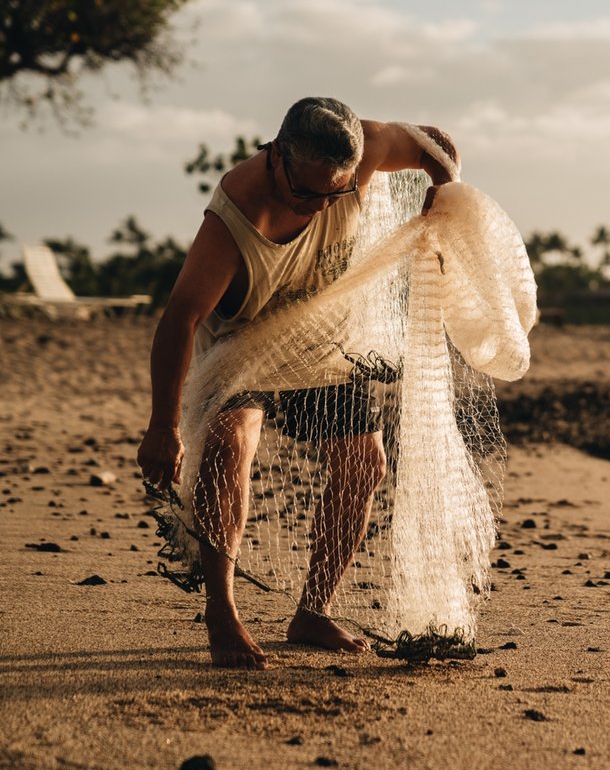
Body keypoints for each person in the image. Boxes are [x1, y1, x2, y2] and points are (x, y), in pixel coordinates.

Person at [138, 97, 458, 669]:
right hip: (241, 345)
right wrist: (163, 425)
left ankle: (313, 611)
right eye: (304, 191)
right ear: (278, 155)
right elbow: (179, 319)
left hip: (318, 336)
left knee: (365, 460)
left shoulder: (365, 149)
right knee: (229, 443)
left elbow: (436, 146)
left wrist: (443, 189)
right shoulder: (235, 217)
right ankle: (222, 610)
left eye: (331, 195)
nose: (315, 206)